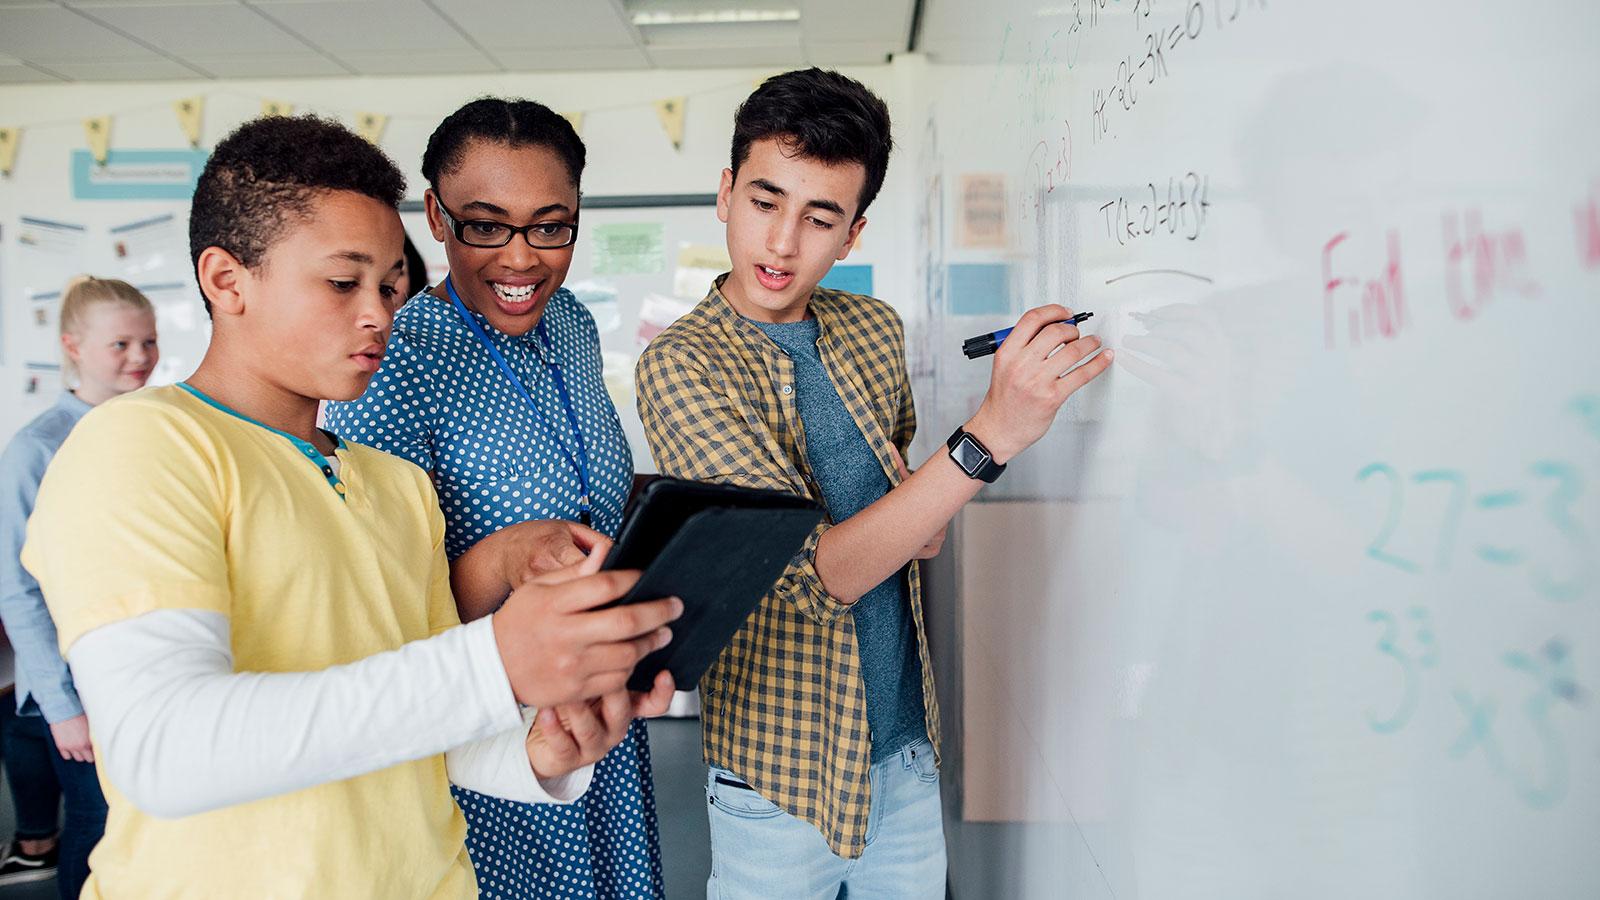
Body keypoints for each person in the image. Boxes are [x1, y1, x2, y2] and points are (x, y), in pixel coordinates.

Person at [21, 115, 680, 899]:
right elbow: (165, 748)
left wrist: (541, 749)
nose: (379, 314)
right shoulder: (140, 447)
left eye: (392, 284)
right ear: (226, 280)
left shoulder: (395, 487)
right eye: (343, 282)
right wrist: (496, 660)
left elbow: (424, 728)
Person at [635, 68, 1112, 898]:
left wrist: (910, 511)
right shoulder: (681, 365)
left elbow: (912, 525)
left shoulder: (873, 328)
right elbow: (819, 576)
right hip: (780, 777)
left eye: (819, 218)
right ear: (724, 193)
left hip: (907, 748)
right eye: (764, 202)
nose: (783, 243)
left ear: (852, 234)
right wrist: (990, 434)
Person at [326, 97, 664, 899]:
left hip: (600, 713)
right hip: (490, 736)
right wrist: (506, 557)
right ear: (437, 217)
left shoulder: (573, 323)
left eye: (551, 226)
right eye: (487, 225)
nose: (522, 259)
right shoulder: (392, 363)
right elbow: (379, 617)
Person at [0, 275, 155, 897]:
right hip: (71, 686)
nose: (140, 357)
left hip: (135, 667)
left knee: (136, 822)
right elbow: (19, 589)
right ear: (73, 347)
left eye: (148, 341)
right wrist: (62, 707)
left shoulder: (153, 426)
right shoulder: (37, 447)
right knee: (95, 823)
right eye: (120, 344)